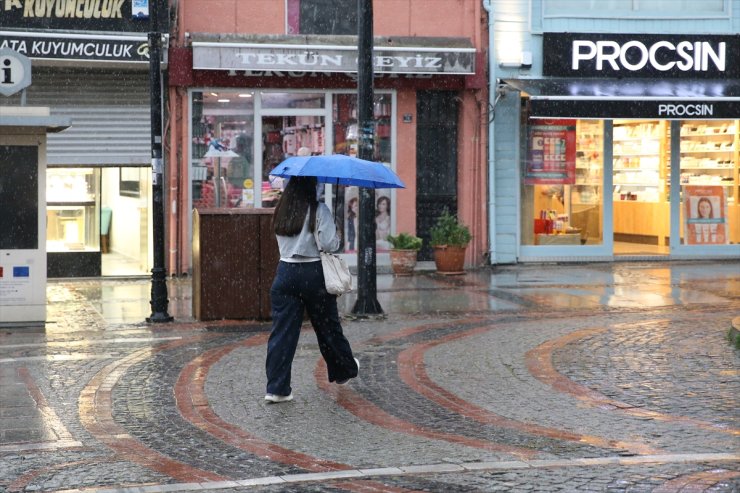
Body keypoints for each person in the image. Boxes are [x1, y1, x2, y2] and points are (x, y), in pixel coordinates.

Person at [265, 176, 359, 403]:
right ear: (312, 187)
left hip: (285, 273)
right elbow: (329, 245)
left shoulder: (281, 210)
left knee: (282, 334)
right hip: (313, 274)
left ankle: (276, 389)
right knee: (327, 327)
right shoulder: (319, 210)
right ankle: (343, 369)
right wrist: (335, 232)